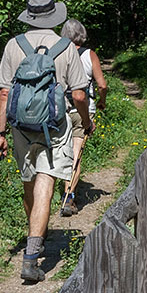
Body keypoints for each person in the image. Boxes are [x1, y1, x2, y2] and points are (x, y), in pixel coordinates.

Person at [0, 0, 94, 282]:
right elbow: (77, 94)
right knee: (46, 182)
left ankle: (33, 234)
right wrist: (86, 121)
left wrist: (0, 134)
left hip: (20, 126)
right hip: (55, 126)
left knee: (29, 181)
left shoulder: (14, 45)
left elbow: (3, 93)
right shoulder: (66, 48)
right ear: (54, 17)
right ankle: (32, 254)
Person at [59, 18, 108, 217]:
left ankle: (59, 191)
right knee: (76, 153)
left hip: (60, 109)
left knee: (62, 152)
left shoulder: (58, 53)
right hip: (82, 110)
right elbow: (102, 85)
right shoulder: (89, 55)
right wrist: (102, 101)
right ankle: (68, 197)